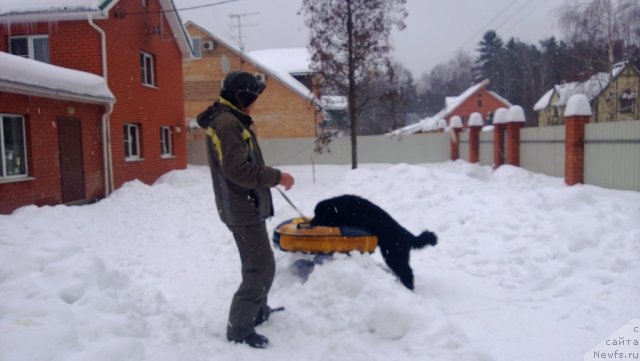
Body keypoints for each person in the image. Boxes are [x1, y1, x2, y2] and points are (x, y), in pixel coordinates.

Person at [197, 71, 294, 349]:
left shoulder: (231, 120)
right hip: (241, 208)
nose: (256, 103)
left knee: (255, 264)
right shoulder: (227, 123)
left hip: (244, 205)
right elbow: (237, 170)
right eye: (254, 97)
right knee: (261, 268)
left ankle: (257, 311)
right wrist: (277, 177)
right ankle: (240, 328)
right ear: (242, 97)